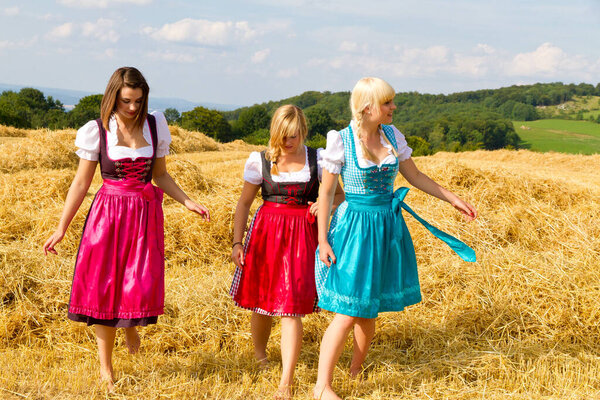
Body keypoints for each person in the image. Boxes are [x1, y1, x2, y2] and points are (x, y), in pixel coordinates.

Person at [43, 67, 209, 391]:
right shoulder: (97, 130)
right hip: (108, 215)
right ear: (113, 98)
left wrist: (186, 201)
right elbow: (81, 182)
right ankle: (106, 368)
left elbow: (160, 175)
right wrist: (62, 227)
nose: (133, 108)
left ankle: (129, 325)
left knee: (138, 281)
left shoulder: (155, 125)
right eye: (126, 101)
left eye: (138, 101)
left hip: (145, 215)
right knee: (104, 286)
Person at [312, 77, 478, 400]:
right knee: (347, 311)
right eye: (387, 103)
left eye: (392, 101)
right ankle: (321, 386)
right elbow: (327, 190)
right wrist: (322, 240)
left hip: (387, 229)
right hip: (354, 231)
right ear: (367, 108)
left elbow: (414, 176)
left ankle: (356, 373)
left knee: (369, 309)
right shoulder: (342, 141)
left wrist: (452, 198)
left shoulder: (392, 136)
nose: (393, 107)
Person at [230, 104, 343, 400]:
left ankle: (285, 381)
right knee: (261, 302)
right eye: (281, 135)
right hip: (266, 235)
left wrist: (327, 205)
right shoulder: (260, 161)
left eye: (292, 136)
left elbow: (339, 196)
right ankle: (260, 356)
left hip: (302, 237)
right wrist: (237, 242)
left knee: (290, 308)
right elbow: (243, 203)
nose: (287, 142)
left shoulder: (318, 159)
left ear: (303, 131)